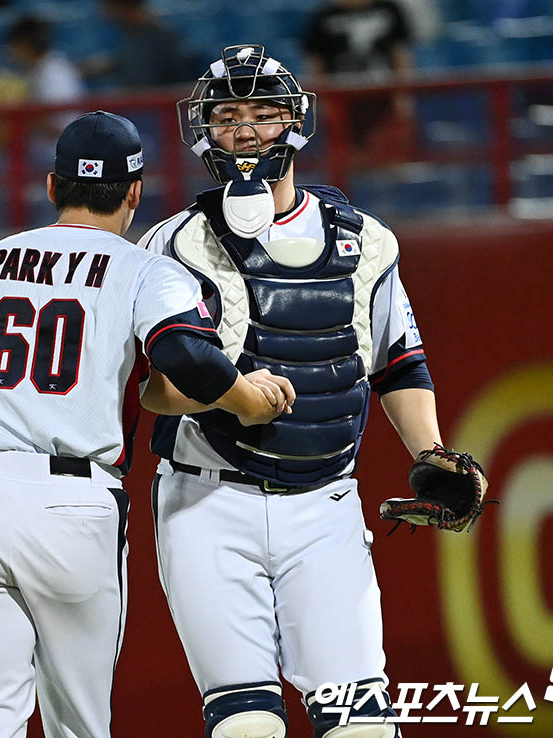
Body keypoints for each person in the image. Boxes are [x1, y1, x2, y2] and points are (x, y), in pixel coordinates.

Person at [0, 111, 294, 738]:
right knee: (77, 726)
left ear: (52, 187)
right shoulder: (143, 270)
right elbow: (186, 357)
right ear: (134, 191)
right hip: (73, 504)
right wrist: (246, 399)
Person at [139, 44, 441, 738]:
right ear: (204, 131)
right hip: (208, 500)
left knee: (362, 725)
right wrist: (232, 392)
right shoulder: (174, 243)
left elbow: (399, 362)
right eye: (227, 115)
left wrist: (431, 453)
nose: (245, 130)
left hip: (327, 505)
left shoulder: (369, 242)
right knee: (248, 727)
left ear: (295, 122)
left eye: (263, 112)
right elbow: (156, 391)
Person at [303, 0, 415, 154]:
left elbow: (400, 55)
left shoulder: (389, 9)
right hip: (342, 98)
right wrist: (324, 102)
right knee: (350, 153)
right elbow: (316, 64)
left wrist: (403, 94)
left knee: (389, 149)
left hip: (384, 94)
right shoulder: (323, 17)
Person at [82, 0, 194, 89]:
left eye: (107, 5)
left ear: (119, 6)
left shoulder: (163, 37)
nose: (102, 12)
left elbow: (149, 83)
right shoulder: (131, 33)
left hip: (160, 111)